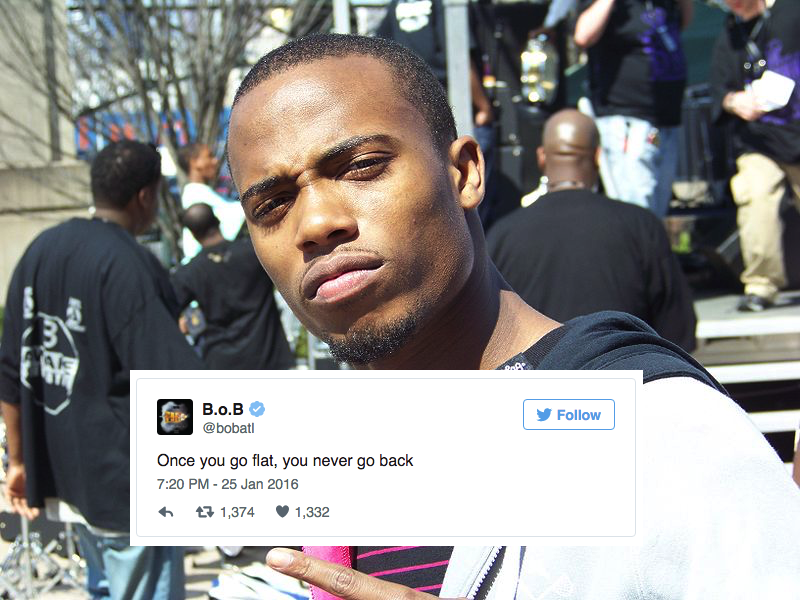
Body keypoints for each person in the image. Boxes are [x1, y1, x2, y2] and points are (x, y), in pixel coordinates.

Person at [226, 33, 800, 597]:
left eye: (362, 166)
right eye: (271, 204)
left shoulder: (663, 437)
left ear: (465, 174)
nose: (315, 224)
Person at [0, 140, 204, 599]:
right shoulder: (129, 263)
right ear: (145, 196)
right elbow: (174, 382)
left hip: (66, 475)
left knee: (104, 586)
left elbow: (10, 369)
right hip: (125, 481)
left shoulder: (39, 251)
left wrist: (19, 460)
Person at [487, 109, 697, 351]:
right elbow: (678, 332)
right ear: (598, 156)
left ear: (542, 157)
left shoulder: (502, 235)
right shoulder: (641, 226)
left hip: (539, 375)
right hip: (622, 371)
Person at [710, 0, 800, 312]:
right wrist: (734, 102)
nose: (732, 6)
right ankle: (761, 285)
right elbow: (719, 89)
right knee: (755, 193)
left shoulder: (791, 10)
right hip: (759, 141)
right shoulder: (731, 31)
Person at [375, 0, 497, 225]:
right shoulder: (448, 4)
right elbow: (460, 55)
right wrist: (483, 107)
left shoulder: (397, 4)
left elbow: (379, 50)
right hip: (453, 105)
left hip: (413, 111)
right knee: (472, 184)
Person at [574, 0, 693, 217]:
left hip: (665, 119)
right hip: (628, 120)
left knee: (656, 214)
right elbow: (583, 35)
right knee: (636, 213)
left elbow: (684, 22)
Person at [172, 202, 294, 370]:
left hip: (221, 362)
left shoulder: (188, 273)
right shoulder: (255, 253)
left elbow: (168, 311)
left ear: (193, 234)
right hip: (268, 354)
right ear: (217, 221)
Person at [176, 142, 245, 262]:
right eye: (209, 156)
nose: (215, 161)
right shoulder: (195, 197)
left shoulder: (203, 193)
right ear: (194, 162)